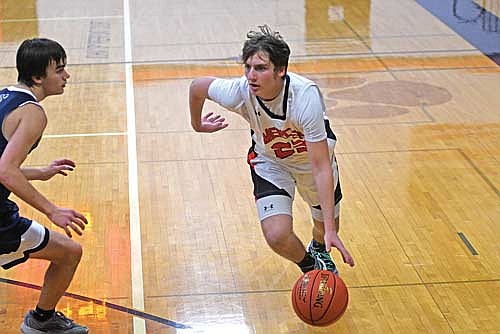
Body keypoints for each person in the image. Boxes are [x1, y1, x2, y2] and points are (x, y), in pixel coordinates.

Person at [189, 25, 355, 275]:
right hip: (271, 163)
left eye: (260, 68)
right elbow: (197, 87)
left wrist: (331, 229)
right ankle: (310, 267)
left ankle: (319, 247)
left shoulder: (304, 97)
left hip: (312, 164)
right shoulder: (239, 92)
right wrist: (197, 125)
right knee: (276, 235)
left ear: (281, 71)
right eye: (248, 67)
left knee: (326, 228)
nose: (251, 75)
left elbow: (320, 167)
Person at [0, 38, 89, 333]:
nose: (66, 76)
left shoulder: (4, 95)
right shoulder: (33, 113)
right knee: (70, 252)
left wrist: (41, 172)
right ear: (38, 77)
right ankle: (42, 320)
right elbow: (6, 172)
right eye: (60, 70)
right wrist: (52, 210)